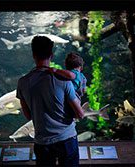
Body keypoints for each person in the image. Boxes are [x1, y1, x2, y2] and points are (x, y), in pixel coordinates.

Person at [16, 36, 84, 166]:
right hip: (66, 140)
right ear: (52, 55)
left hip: (42, 143)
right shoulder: (63, 80)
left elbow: (28, 116)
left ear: (33, 55)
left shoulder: (22, 82)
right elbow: (80, 115)